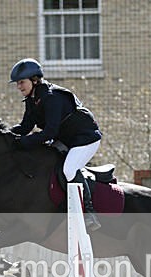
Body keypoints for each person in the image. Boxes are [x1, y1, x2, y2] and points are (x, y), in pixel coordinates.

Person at [9, 58, 102, 231]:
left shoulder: (52, 97)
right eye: (17, 83)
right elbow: (25, 127)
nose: (18, 87)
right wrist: (4, 134)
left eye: (21, 82)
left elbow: (49, 132)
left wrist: (23, 142)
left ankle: (88, 213)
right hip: (66, 139)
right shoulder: (32, 99)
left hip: (85, 139)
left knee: (69, 169)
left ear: (34, 80)